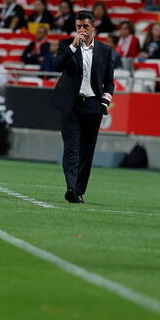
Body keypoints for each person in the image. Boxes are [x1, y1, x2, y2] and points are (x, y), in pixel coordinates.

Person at [52, 10, 116, 204]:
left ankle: (79, 191)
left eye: (85, 26)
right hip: (71, 105)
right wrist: (73, 46)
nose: (81, 30)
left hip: (92, 106)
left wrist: (105, 100)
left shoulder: (104, 51)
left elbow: (109, 81)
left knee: (87, 151)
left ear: (93, 27)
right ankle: (70, 187)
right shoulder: (66, 45)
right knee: (71, 148)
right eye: (78, 26)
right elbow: (57, 66)